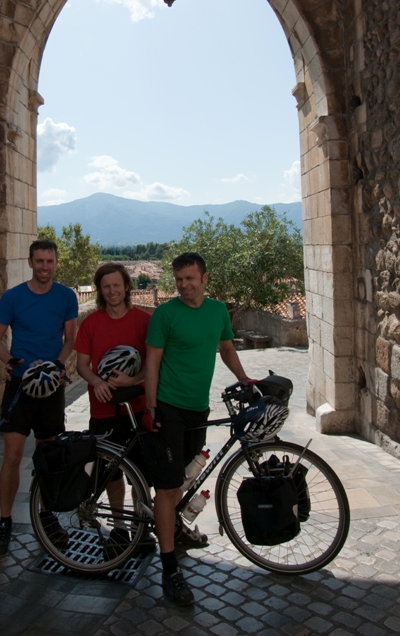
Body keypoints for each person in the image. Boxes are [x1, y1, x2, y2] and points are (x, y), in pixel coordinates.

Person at [142, 252, 255, 606]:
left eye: (190, 279)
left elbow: (225, 348)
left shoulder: (218, 311)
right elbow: (153, 360)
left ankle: (173, 532)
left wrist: (244, 378)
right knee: (168, 486)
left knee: (187, 477)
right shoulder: (166, 314)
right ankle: (168, 567)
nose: (184, 285)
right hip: (170, 406)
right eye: (179, 280)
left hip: (198, 408)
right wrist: (151, 406)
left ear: (205, 279)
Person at [0, 238, 78, 556]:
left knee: (47, 457)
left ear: (56, 263)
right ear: (30, 262)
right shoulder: (12, 298)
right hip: (20, 387)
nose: (44, 266)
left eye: (49, 261)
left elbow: (70, 339)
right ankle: (4, 522)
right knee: (12, 456)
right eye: (39, 261)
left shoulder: (67, 297)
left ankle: (46, 517)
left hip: (51, 387)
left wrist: (58, 365)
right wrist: (9, 362)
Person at [74, 262, 154, 555]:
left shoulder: (144, 322)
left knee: (141, 474)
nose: (112, 291)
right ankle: (120, 528)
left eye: (116, 285)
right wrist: (96, 381)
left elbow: (152, 365)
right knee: (112, 473)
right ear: (100, 291)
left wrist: (133, 379)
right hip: (104, 410)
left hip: (138, 409)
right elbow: (82, 364)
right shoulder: (91, 324)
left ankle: (140, 526)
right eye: (105, 286)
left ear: (127, 287)